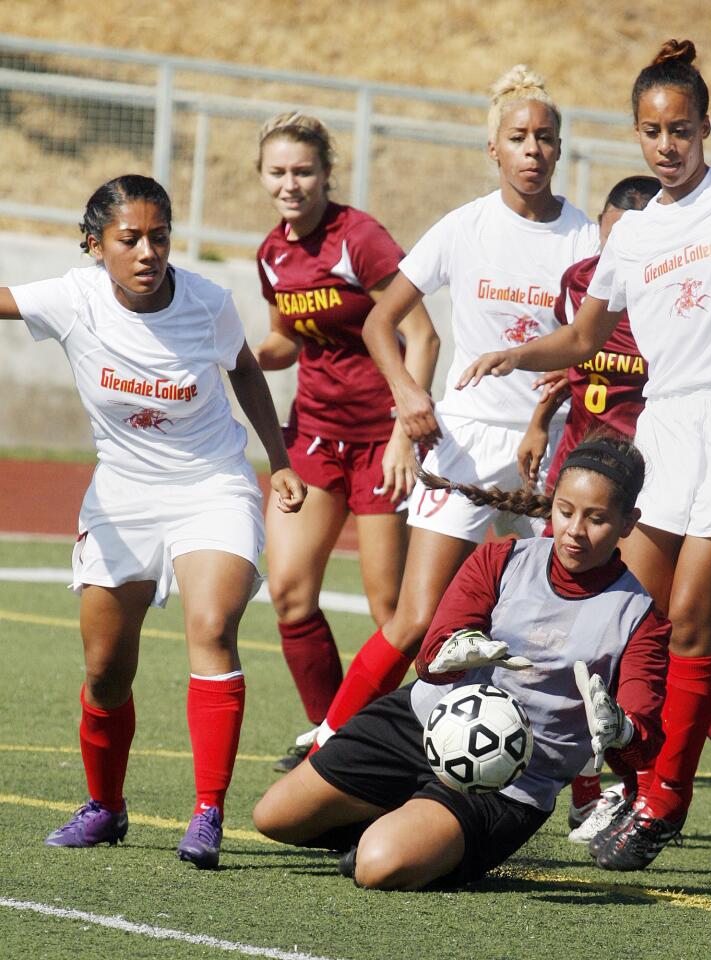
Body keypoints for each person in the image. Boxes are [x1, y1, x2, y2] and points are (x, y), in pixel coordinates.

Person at [458, 39, 711, 871]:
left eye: (680, 128)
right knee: (626, 614)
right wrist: (517, 355)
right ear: (636, 135)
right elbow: (583, 335)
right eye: (651, 131)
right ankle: (665, 790)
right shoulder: (635, 233)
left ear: (705, 126)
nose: (666, 145)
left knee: (689, 623)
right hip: (668, 427)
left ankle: (663, 805)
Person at [0, 174, 307, 870]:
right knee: (106, 670)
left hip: (213, 485)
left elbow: (245, 371)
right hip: (123, 496)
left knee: (212, 628)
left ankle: (207, 813)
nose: (147, 252)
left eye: (159, 237)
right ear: (94, 245)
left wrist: (278, 460)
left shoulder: (207, 302)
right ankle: (105, 807)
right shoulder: (71, 300)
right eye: (129, 238)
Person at [522, 176, 711, 862]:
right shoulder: (598, 278)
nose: (614, 248)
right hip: (607, 486)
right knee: (626, 631)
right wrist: (536, 407)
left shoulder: (701, 280)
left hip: (680, 466)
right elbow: (570, 355)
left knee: (680, 630)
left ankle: (697, 800)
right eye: (606, 235)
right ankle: (626, 794)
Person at [308, 65, 600, 750]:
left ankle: (587, 789)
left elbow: (589, 346)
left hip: (550, 451)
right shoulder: (464, 227)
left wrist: (538, 421)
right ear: (492, 149)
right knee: (416, 620)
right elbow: (383, 324)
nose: (533, 149)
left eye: (545, 138)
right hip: (464, 445)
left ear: (560, 150)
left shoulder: (587, 239)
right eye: (519, 137)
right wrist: (408, 398)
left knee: (570, 627)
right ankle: (328, 743)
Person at [253, 435, 670, 889]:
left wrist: (622, 730)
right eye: (565, 511)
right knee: (273, 817)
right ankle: (408, 820)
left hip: (510, 778)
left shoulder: (640, 618)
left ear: (629, 523)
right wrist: (454, 652)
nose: (574, 531)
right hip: (424, 721)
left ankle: (407, 835)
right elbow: (429, 663)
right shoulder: (503, 557)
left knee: (376, 867)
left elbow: (644, 742)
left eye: (597, 520)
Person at [252, 112, 439, 772]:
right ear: (263, 177)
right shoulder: (272, 252)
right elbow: (283, 341)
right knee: (289, 592)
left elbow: (422, 335)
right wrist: (233, 356)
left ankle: (408, 732)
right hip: (313, 438)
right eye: (278, 172)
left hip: (379, 444)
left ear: (327, 175)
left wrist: (402, 436)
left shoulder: (359, 238)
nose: (291, 183)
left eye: (303, 171)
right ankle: (331, 732)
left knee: (392, 610)